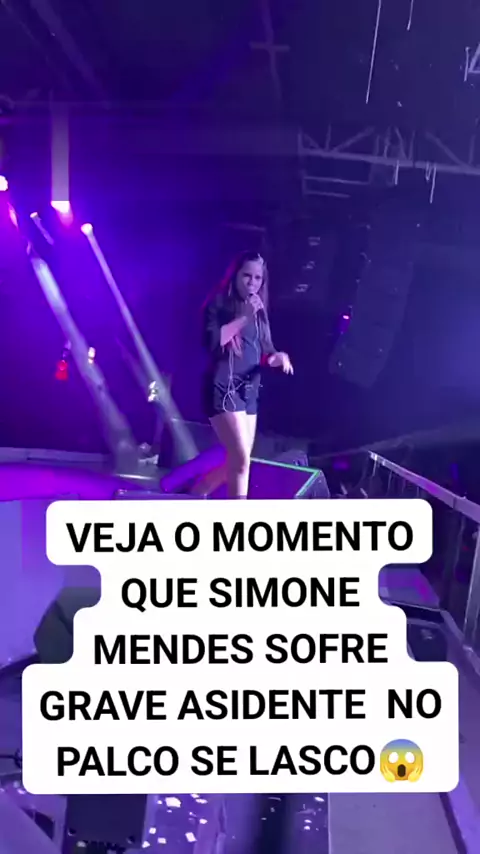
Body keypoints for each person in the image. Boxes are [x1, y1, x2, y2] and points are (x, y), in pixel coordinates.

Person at [194, 251, 293, 499]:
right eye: (247, 276)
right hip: (222, 387)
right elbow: (213, 341)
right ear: (235, 275)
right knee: (240, 460)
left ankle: (197, 492)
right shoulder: (219, 303)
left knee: (239, 460)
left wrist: (277, 357)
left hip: (248, 390)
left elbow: (265, 350)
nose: (252, 283)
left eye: (258, 278)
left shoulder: (259, 310)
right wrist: (243, 317)